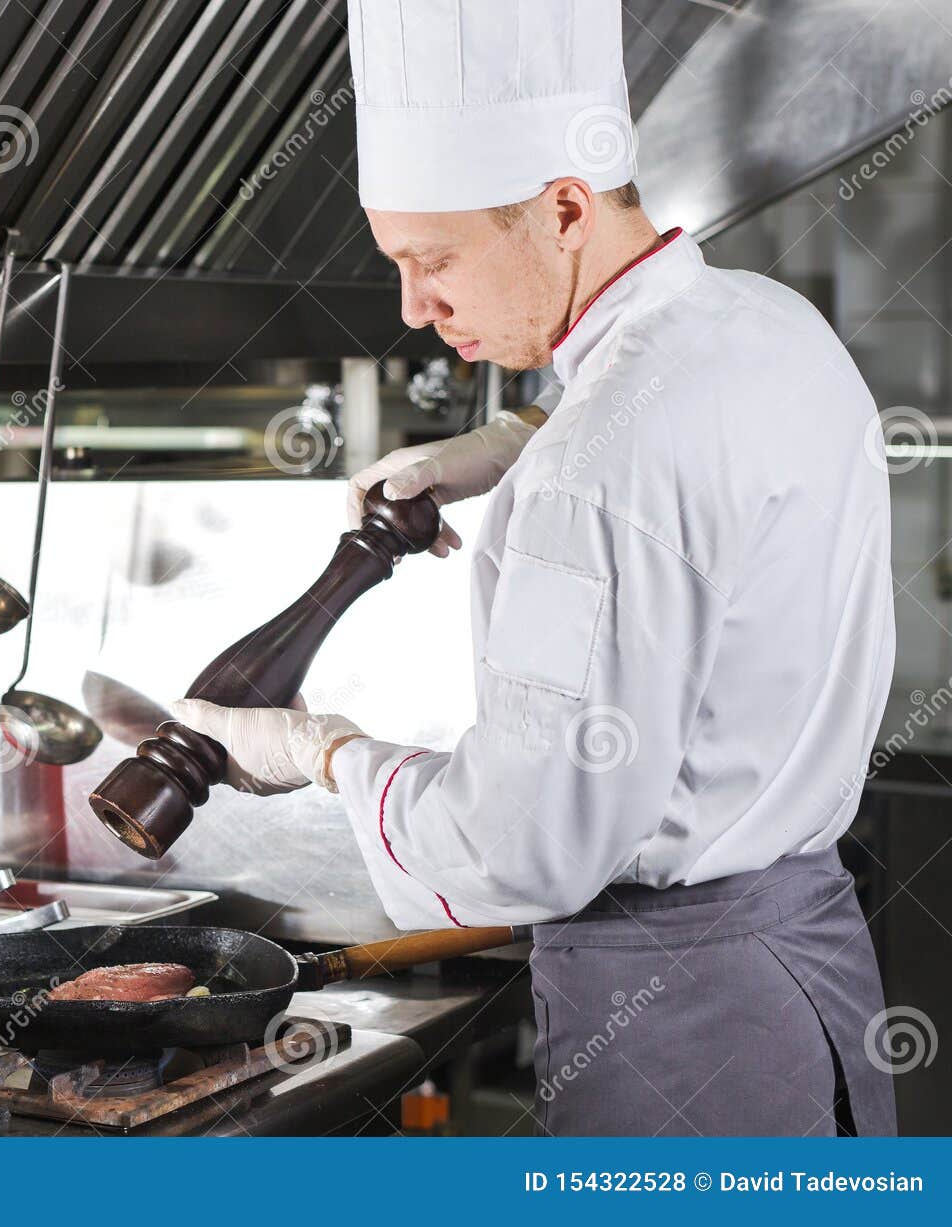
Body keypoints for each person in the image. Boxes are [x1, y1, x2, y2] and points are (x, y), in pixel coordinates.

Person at [174, 0, 896, 1136]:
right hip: (807, 976)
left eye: (435, 259)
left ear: (563, 207)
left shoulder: (590, 480)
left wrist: (324, 753)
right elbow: (681, 438)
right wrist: (517, 440)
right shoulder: (765, 322)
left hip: (682, 1024)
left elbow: (522, 851)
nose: (416, 306)